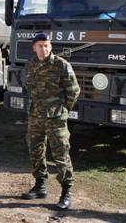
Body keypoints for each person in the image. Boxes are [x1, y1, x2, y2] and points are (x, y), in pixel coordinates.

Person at [21, 33, 80, 210]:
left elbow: (74, 91)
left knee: (60, 153)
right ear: (34, 47)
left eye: (47, 45)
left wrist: (63, 110)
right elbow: (29, 88)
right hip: (36, 116)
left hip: (56, 118)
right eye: (40, 45)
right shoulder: (30, 65)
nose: (44, 49)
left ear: (51, 46)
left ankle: (66, 192)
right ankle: (40, 186)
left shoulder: (61, 65)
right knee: (35, 150)